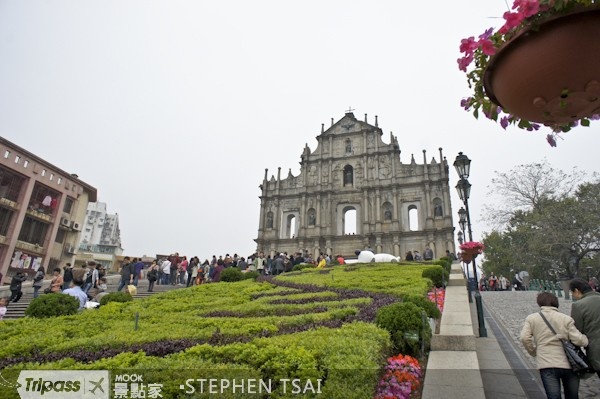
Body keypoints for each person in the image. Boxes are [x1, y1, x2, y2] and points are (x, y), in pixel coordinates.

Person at [520, 292, 588, 399]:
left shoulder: (532, 318)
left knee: (553, 396)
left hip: (547, 363)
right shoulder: (565, 319)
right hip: (569, 364)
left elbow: (524, 338)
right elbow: (580, 340)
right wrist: (586, 339)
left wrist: (533, 351)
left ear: (540, 303)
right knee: (572, 396)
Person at [569, 278, 600, 378]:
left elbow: (576, 331)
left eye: (572, 293)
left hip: (596, 350)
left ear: (577, 291)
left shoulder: (579, 306)